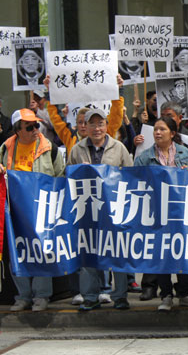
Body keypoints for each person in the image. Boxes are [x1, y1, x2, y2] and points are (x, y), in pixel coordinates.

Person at [134, 116, 188, 311]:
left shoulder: (184, 153)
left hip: (181, 213)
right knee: (162, 255)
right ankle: (165, 296)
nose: (157, 132)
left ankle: (185, 293)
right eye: (155, 129)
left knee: (183, 252)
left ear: (172, 133)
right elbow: (134, 180)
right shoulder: (145, 157)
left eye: (162, 129)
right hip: (158, 213)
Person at [67, 109, 133, 311]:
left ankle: (120, 296)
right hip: (87, 212)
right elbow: (67, 178)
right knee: (88, 255)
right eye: (92, 124)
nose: (97, 128)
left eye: (100, 124)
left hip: (114, 210)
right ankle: (90, 297)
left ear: (107, 126)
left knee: (118, 253)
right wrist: (81, 171)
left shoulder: (118, 147)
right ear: (84, 127)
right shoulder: (77, 150)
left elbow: (130, 176)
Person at [0, 109, 64, 312]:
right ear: (17, 130)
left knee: (41, 252)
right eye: (30, 126)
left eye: (37, 125)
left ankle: (42, 296)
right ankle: (23, 296)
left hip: (41, 209)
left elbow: (60, 176)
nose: (36, 129)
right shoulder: (5, 148)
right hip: (14, 211)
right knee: (17, 253)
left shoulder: (49, 148)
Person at [40, 74, 125, 155]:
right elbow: (56, 118)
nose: (83, 126)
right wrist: (50, 92)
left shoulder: (105, 134)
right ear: (76, 124)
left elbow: (116, 115)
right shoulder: (70, 137)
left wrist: (118, 89)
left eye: (87, 122)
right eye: (80, 122)